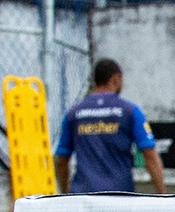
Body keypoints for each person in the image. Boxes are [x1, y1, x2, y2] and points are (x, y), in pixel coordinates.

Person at [54, 58, 165, 195]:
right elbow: (149, 155)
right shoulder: (130, 111)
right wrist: (162, 194)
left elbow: (61, 160)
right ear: (115, 79)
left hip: (83, 195)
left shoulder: (73, 114)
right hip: (119, 195)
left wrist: (66, 193)